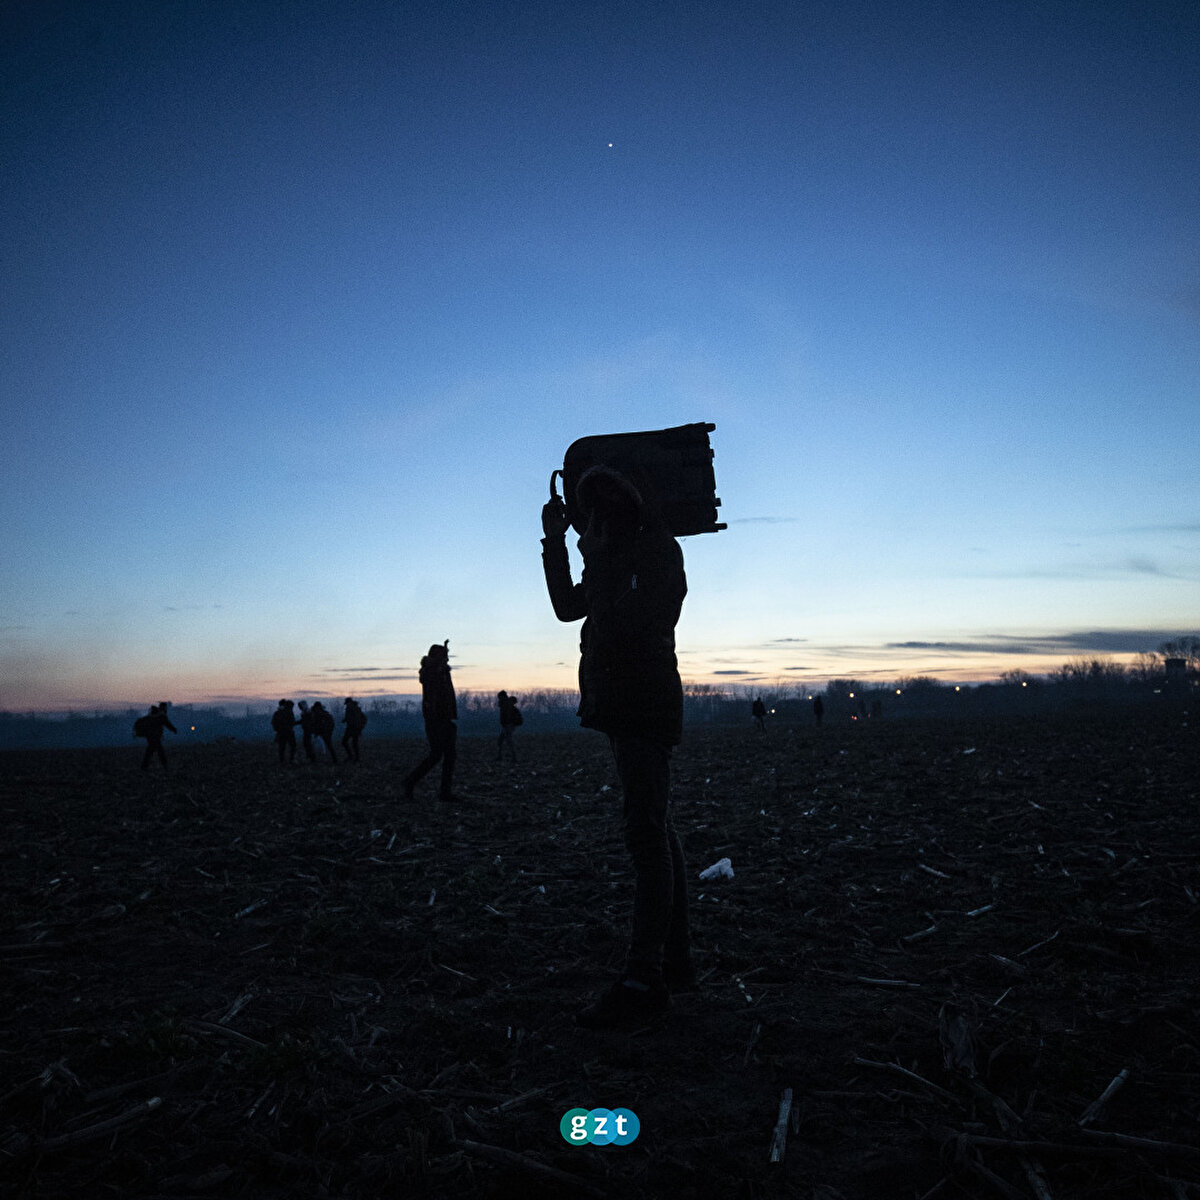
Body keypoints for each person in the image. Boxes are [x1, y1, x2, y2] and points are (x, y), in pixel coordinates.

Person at [541, 463, 693, 1028]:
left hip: (643, 705)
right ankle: (673, 963)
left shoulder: (655, 553)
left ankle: (644, 976)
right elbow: (566, 606)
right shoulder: (618, 556)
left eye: (599, 513)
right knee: (655, 826)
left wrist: (598, 556)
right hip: (625, 706)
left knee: (646, 833)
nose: (591, 527)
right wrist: (554, 542)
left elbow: (634, 624)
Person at [402, 641, 458, 802]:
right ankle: (411, 782)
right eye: (444, 656)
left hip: (444, 719)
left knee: (447, 756)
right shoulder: (431, 672)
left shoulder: (440, 671)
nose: (447, 660)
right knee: (438, 755)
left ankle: (444, 793)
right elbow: (432, 685)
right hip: (436, 720)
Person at [136, 702, 177, 770]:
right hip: (155, 736)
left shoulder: (152, 715)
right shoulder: (161, 715)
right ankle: (164, 765)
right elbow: (167, 724)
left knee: (151, 751)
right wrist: (174, 730)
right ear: (164, 708)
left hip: (149, 736)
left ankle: (144, 766)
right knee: (159, 750)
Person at [497, 690, 522, 762]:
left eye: (499, 697)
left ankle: (514, 758)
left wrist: (506, 724)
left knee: (508, 741)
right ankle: (501, 757)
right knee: (501, 741)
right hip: (507, 725)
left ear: (502, 697)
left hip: (508, 725)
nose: (498, 699)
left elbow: (507, 716)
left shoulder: (506, 705)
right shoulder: (505, 704)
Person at [271, 699, 298, 763]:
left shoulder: (277, 713)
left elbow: (273, 723)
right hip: (289, 732)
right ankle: (291, 759)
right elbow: (292, 721)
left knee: (281, 747)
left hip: (280, 732)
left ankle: (282, 760)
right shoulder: (289, 712)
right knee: (293, 746)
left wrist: (277, 730)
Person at [342, 697, 367, 762]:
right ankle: (355, 757)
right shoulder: (354, 708)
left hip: (353, 728)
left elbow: (358, 718)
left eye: (347, 703)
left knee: (348, 742)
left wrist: (359, 727)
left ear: (349, 703)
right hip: (352, 728)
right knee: (352, 743)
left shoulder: (353, 709)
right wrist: (345, 720)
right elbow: (354, 718)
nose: (346, 705)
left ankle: (353, 757)